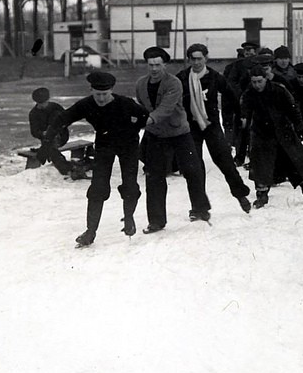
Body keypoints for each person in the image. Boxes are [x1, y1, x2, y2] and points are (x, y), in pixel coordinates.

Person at [44, 71, 148, 247]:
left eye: (105, 94)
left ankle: (129, 218)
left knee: (129, 184)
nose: (100, 98)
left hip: (128, 144)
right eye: (97, 94)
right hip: (104, 144)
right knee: (98, 187)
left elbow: (145, 117)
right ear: (91, 89)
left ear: (111, 91)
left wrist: (133, 126)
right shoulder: (86, 104)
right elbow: (64, 117)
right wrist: (50, 136)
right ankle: (90, 231)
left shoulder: (125, 103)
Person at [135, 46, 212, 232]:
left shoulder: (174, 83)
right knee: (154, 177)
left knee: (192, 170)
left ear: (165, 65)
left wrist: (147, 120)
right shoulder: (140, 84)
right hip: (156, 135)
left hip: (179, 134)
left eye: (158, 65)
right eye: (151, 65)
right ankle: (156, 220)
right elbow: (141, 106)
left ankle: (200, 208)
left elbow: (166, 108)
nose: (154, 69)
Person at [177, 43, 253, 212]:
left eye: (199, 59)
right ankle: (198, 207)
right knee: (194, 167)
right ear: (188, 59)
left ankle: (241, 195)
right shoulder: (182, 77)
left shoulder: (214, 77)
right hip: (191, 127)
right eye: (193, 59)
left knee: (225, 161)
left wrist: (240, 115)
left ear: (206, 58)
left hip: (211, 125)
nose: (196, 62)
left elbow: (231, 96)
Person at [239, 65, 303, 208]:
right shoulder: (249, 93)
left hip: (283, 131)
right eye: (254, 82)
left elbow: (293, 109)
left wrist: (300, 127)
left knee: (293, 162)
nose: (257, 85)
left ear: (265, 79)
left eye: (259, 81)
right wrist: (244, 121)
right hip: (261, 134)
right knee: (262, 164)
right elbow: (245, 111)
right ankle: (262, 195)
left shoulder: (279, 90)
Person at [28, 87, 74, 175]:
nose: (43, 105)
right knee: (51, 147)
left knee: (56, 115)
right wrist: (42, 133)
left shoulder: (56, 107)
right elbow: (34, 132)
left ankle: (64, 167)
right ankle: (66, 168)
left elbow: (67, 120)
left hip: (61, 136)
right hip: (46, 139)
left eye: (44, 102)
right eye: (40, 103)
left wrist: (57, 128)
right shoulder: (33, 113)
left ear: (48, 100)